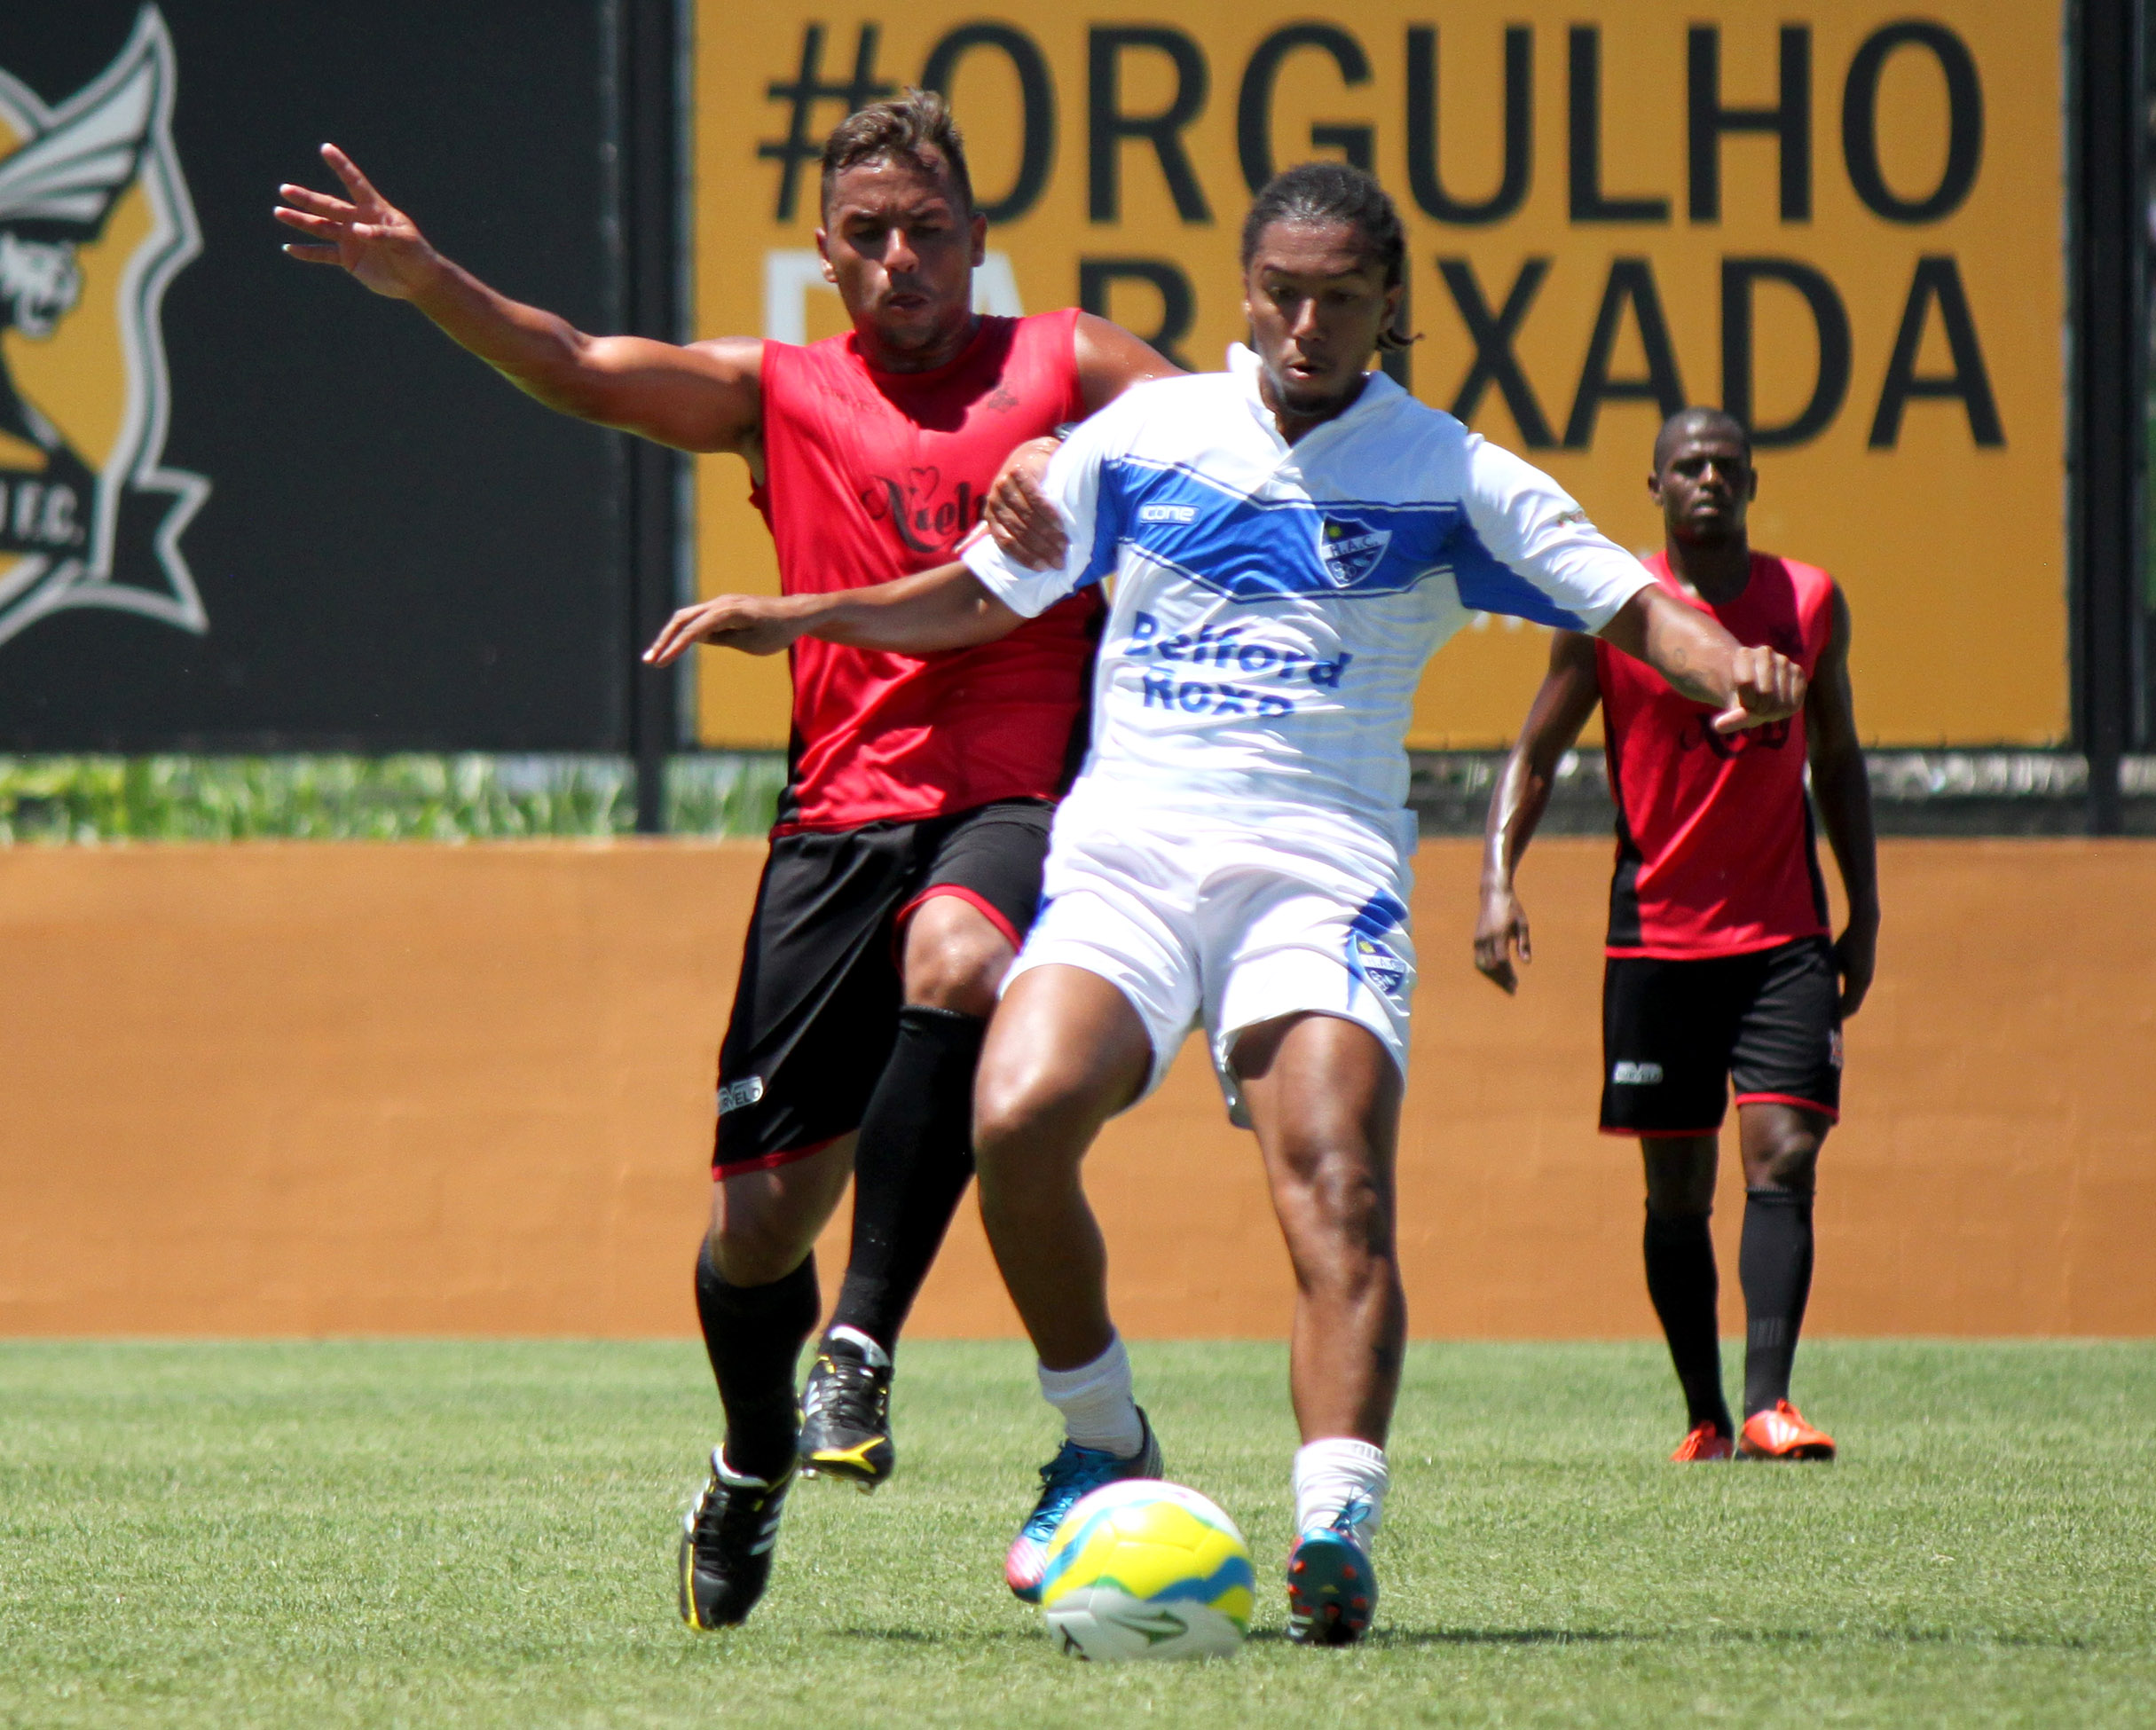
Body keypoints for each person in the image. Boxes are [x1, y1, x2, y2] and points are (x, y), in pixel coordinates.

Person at [671, 162, 1806, 1644]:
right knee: (1011, 1119)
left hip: (1314, 872)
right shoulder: (1146, 436)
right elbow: (972, 593)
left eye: (1341, 298)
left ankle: (1333, 1524)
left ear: (1389, 306)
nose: (1306, 324)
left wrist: (1738, 674)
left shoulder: (1448, 470)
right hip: (1128, 856)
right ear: (1243, 291)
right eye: (1282, 292)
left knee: (1330, 1174)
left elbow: (1626, 602)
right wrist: (799, 616)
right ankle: (1099, 1436)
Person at [275, 91, 1176, 1630]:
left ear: (978, 242)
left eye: (932, 232)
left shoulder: (1071, 368)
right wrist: (431, 283)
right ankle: (755, 1456)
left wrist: (1326, 393)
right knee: (757, 1230)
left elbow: (1229, 452)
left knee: (960, 962)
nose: (904, 259)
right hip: (837, 822)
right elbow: (576, 368)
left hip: (1017, 802)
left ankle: (863, 1351)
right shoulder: (783, 391)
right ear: (824, 254)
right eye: (872, 235)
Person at [1474, 406, 1878, 1465]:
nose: (1709, 479)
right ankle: (1704, 1414)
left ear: (1751, 482)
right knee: (1677, 1192)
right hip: (1656, 940)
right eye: (1688, 466)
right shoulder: (1609, 606)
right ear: (1653, 486)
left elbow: (1837, 761)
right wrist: (1494, 883)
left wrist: (1862, 908)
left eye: (1726, 465)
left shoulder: (1809, 600)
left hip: (1782, 934)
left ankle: (1770, 1404)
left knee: (1784, 1153)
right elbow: (1536, 750)